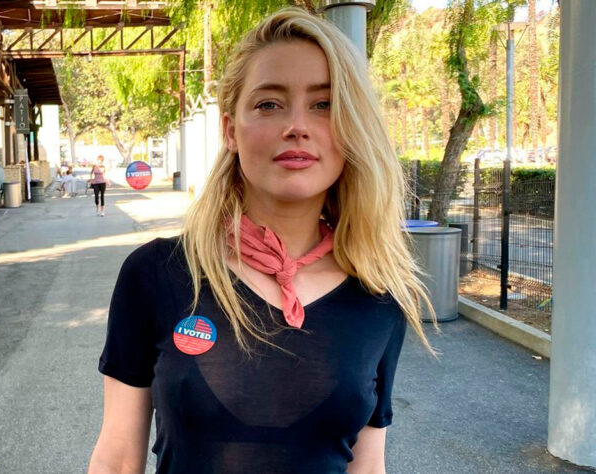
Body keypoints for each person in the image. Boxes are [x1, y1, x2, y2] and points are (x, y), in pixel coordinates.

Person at [89, 8, 437, 474]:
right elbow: (117, 458)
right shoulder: (157, 274)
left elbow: (368, 464)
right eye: (269, 104)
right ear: (230, 130)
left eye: (324, 104)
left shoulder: (379, 293)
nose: (297, 126)